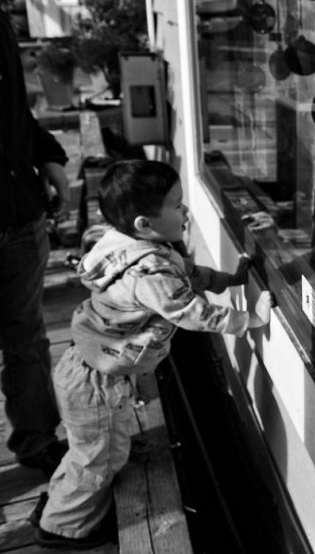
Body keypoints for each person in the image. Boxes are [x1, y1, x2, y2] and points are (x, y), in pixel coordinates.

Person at [35, 159, 275, 549]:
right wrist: (251, 319)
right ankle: (61, 528)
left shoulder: (136, 247)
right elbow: (191, 311)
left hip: (92, 368)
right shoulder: (149, 272)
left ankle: (64, 508)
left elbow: (190, 275)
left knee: (96, 450)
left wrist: (232, 279)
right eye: (177, 205)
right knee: (95, 460)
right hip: (96, 380)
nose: (186, 211)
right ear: (145, 224)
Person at [0, 0, 71, 479]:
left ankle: (37, 442)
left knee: (26, 336)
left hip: (17, 213)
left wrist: (47, 155)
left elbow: (12, 112)